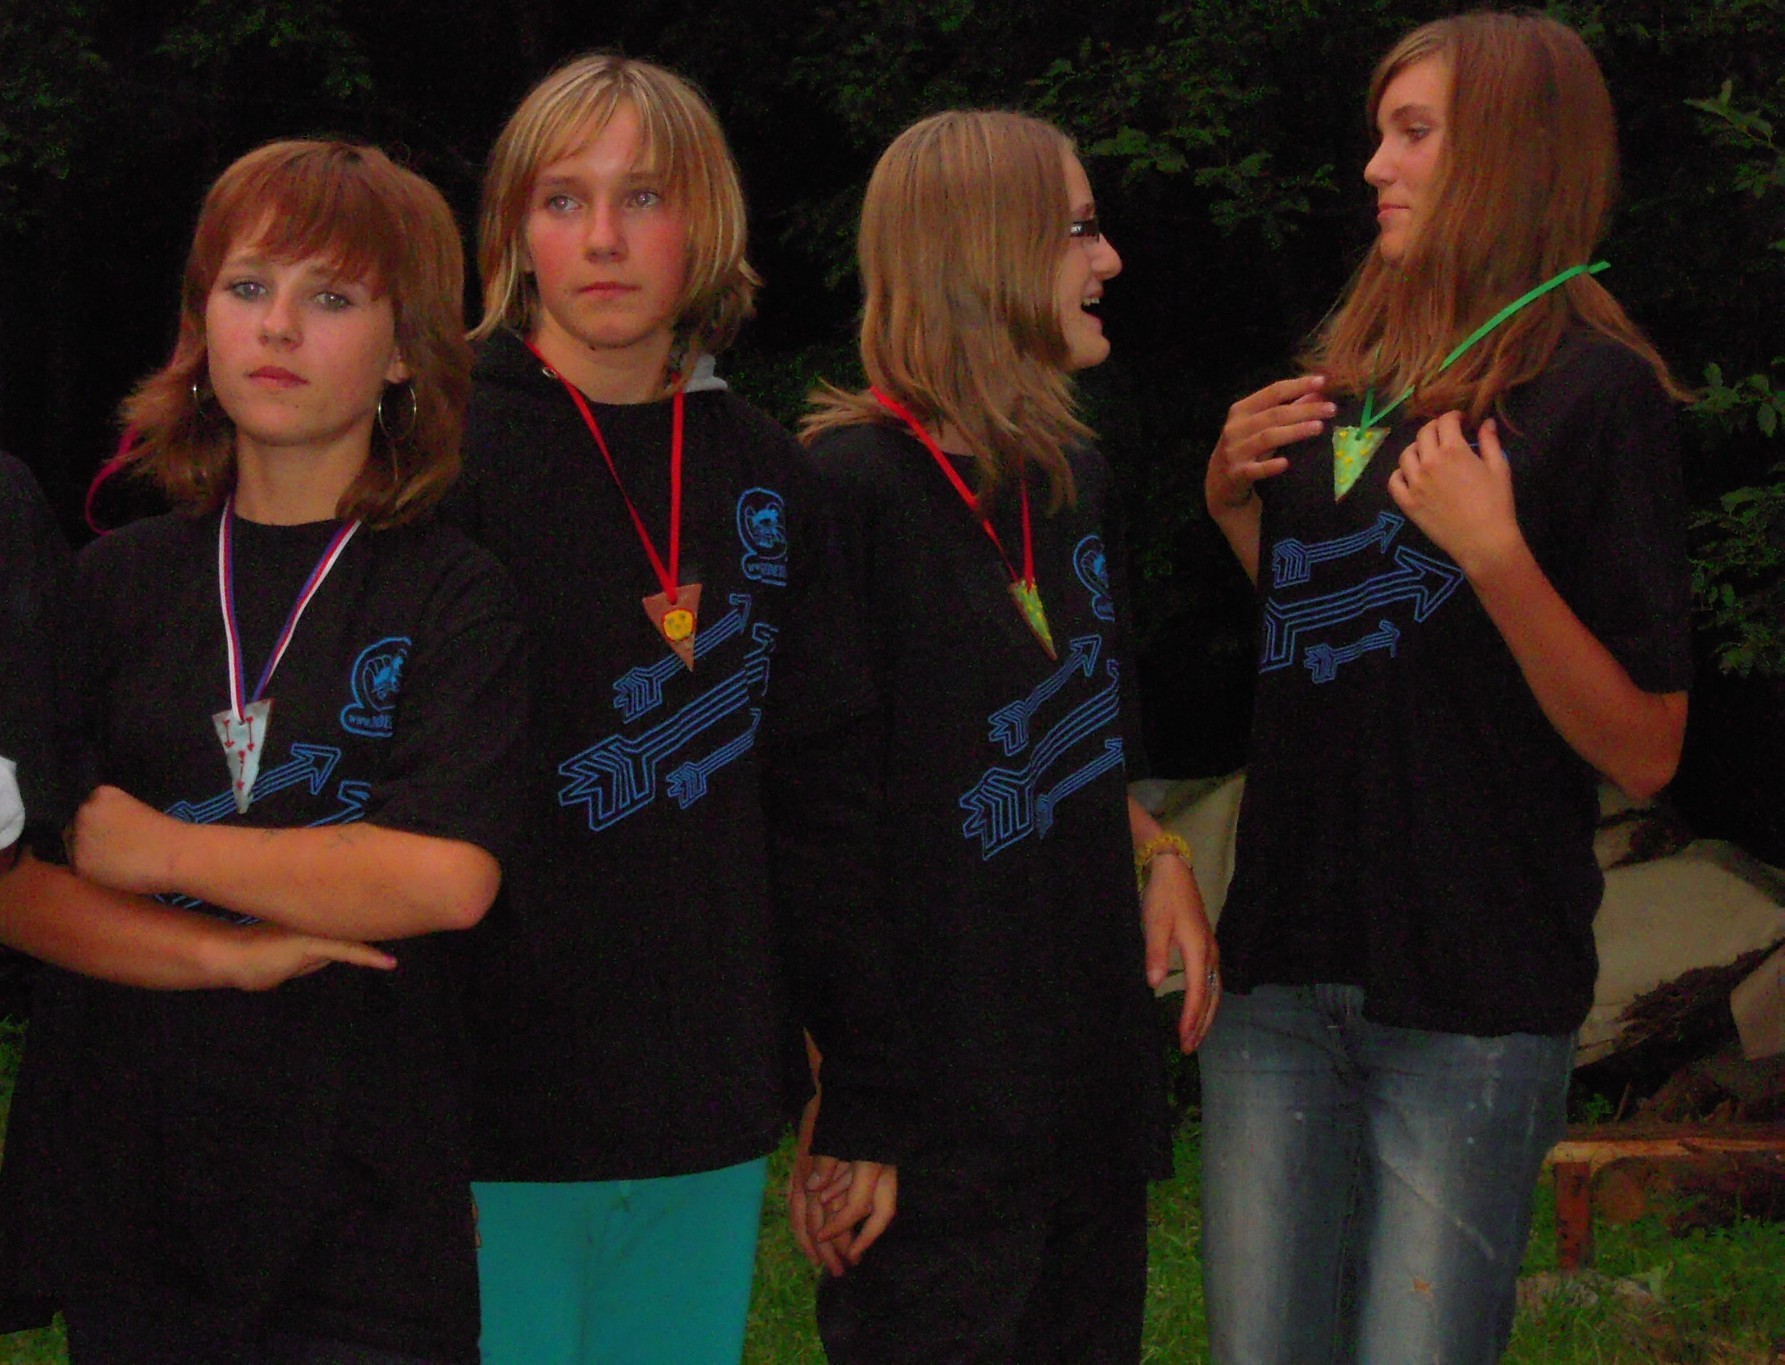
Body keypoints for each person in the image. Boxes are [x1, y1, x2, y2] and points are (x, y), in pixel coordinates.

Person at [1199, 12, 1693, 1361]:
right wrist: (1235, 508)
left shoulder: (1596, 397)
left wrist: (1499, 558)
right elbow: (1347, 643)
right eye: (1381, 132)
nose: (1375, 165)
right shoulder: (1351, 383)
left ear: (1512, 157)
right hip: (1279, 973)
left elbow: (1648, 748)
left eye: (1413, 133)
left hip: (1471, 995)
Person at [0, 139, 526, 1364]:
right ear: (200, 327)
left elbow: (444, 875)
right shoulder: (105, 587)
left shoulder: (456, 594)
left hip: (365, 1191)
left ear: (403, 352)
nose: (278, 325)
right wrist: (227, 954)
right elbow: (19, 884)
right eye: (247, 287)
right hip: (137, 1184)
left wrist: (159, 851)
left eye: (331, 297)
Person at [448, 54, 872, 1365]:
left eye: (643, 196)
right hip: (481, 1102)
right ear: (514, 230)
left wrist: (851, 1067)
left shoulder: (767, 472)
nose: (604, 238)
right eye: (563, 200)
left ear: (707, 222)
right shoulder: (432, 450)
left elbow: (822, 796)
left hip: (702, 1095)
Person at [791, 109, 1219, 1364]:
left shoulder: (1070, 474)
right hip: (934, 1123)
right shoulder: (843, 494)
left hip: (1085, 1099)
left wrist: (1159, 855)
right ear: (985, 252)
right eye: (1078, 229)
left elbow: (1066, 753)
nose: (1109, 259)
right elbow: (819, 837)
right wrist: (854, 1106)